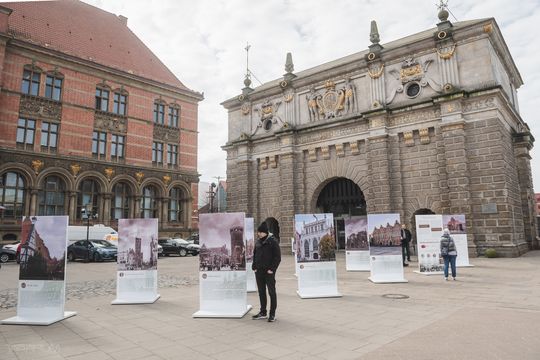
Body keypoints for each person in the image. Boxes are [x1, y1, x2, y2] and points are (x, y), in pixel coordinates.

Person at [251, 221, 281, 322]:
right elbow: (255, 255)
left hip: (269, 272)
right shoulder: (258, 242)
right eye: (258, 232)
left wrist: (272, 269)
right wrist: (254, 266)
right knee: (261, 292)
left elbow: (277, 257)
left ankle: (272, 314)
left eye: (259, 232)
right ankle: (263, 312)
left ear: (265, 232)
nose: (258, 233)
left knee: (272, 292)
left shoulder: (273, 241)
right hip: (259, 272)